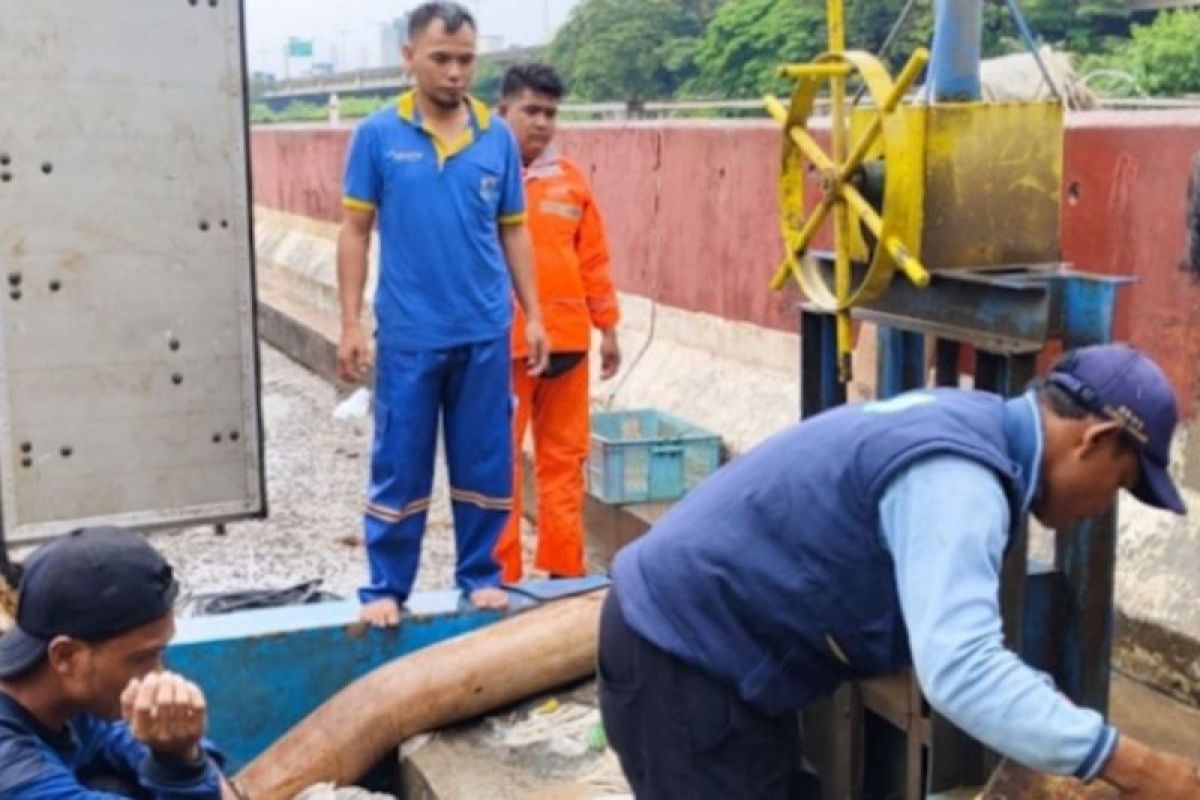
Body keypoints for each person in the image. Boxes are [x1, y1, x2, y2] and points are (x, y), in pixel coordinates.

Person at [598, 344, 1200, 799]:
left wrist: (1048, 723)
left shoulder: (973, 422)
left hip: (708, 655)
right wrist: (1142, 768)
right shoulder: (960, 479)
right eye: (1118, 485)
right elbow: (962, 671)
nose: (1102, 508)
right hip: (682, 663)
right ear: (1096, 439)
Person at [337, 2, 549, 627]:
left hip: (484, 328)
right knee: (399, 461)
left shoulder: (496, 139)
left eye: (465, 60)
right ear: (409, 58)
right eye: (441, 59)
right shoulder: (377, 136)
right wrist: (350, 323)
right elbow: (354, 230)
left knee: (486, 458)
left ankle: (481, 574)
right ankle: (385, 586)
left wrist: (533, 314)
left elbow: (515, 233)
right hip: (408, 333)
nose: (455, 73)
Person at [493, 63, 621, 584]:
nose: (541, 123)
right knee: (497, 466)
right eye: (531, 111)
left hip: (568, 346)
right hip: (502, 347)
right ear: (504, 112)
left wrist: (607, 327)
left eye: (550, 113)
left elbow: (594, 259)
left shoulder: (571, 182)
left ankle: (565, 571)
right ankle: (500, 580)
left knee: (564, 463)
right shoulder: (480, 175)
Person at [0, 526, 239, 799]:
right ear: (65, 655)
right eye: (141, 658)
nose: (157, 674)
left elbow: (126, 733)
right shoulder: (11, 769)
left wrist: (180, 752)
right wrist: (180, 766)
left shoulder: (67, 693)